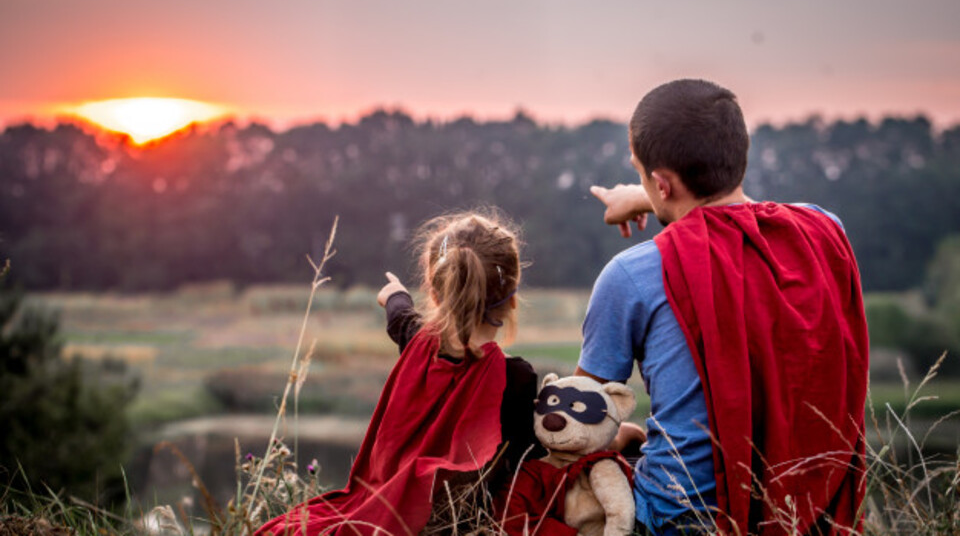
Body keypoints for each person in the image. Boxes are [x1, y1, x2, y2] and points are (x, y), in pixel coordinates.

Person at [576, 79, 869, 535]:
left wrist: (625, 437)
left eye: (640, 174)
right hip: (812, 513)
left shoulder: (632, 274)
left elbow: (579, 419)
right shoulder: (825, 233)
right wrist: (648, 197)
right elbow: (733, 217)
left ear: (661, 183)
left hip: (684, 519)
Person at [256, 211, 542, 536]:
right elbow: (525, 465)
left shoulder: (417, 345)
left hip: (385, 512)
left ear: (435, 293)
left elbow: (400, 317)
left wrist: (394, 295)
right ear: (513, 300)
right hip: (463, 525)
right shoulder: (517, 378)